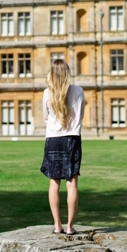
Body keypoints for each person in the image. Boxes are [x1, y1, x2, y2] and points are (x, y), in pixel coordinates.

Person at [40, 59, 85, 235]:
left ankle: (57, 225)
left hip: (53, 138)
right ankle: (70, 226)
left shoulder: (46, 93)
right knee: (72, 183)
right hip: (71, 139)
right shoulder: (79, 91)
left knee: (54, 183)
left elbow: (45, 117)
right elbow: (80, 116)